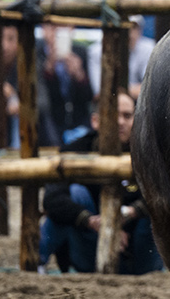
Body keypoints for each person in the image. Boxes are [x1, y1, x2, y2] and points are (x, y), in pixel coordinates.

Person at [41, 91, 160, 275]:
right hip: (89, 250)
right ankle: (35, 264)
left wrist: (132, 213)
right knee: (76, 193)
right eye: (113, 115)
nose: (120, 122)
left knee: (159, 209)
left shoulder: (150, 153)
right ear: (96, 121)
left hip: (141, 257)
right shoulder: (74, 151)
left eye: (127, 116)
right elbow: (52, 199)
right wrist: (93, 222)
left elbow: (168, 195)